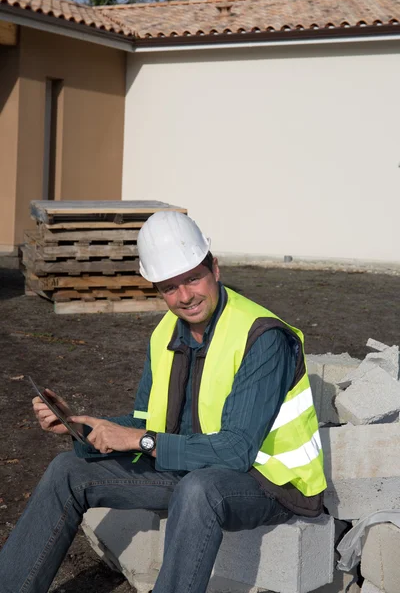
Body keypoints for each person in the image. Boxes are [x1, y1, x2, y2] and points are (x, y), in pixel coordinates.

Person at [0, 211, 327, 593]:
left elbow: (236, 450)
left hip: (269, 484)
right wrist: (86, 425)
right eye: (170, 287)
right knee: (67, 470)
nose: (184, 296)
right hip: (193, 467)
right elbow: (144, 421)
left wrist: (141, 441)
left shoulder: (262, 336)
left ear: (214, 269)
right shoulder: (164, 337)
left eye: (192, 278)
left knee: (200, 489)